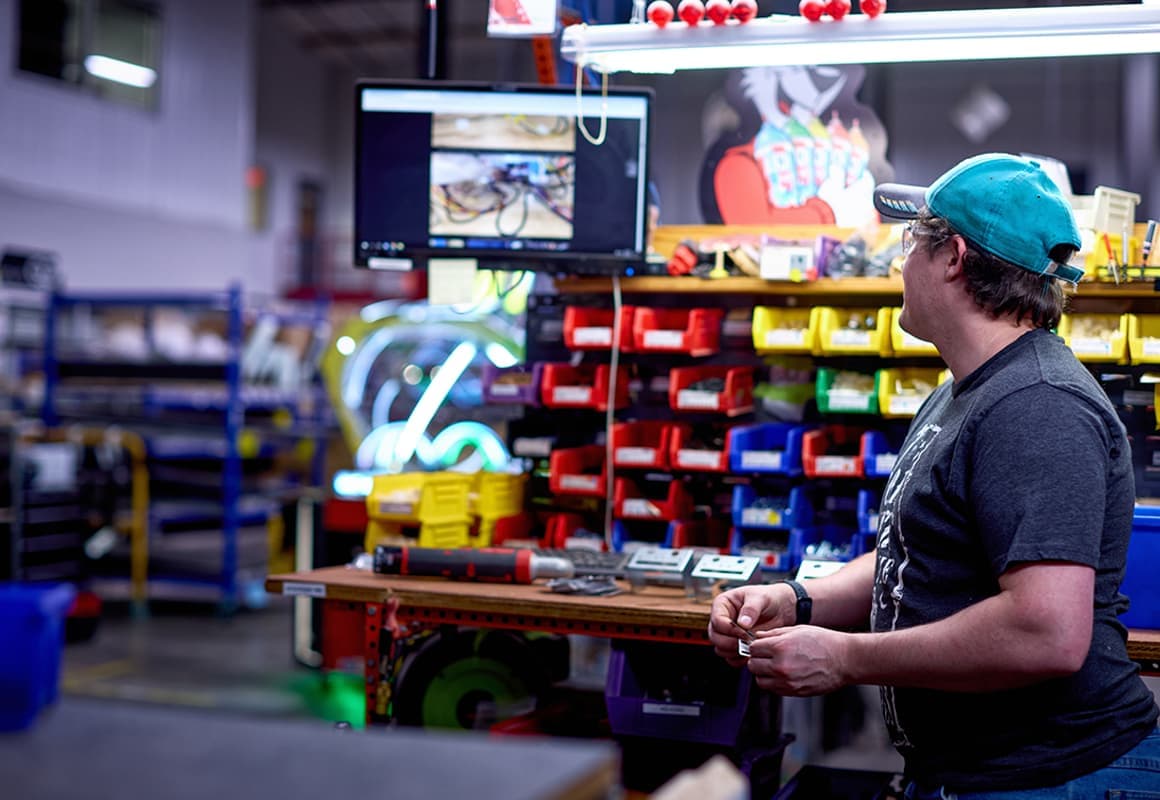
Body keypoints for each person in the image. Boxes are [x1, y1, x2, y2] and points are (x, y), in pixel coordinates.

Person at [708, 153, 1160, 797]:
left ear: (952, 258)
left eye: (910, 243)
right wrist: (799, 600)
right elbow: (917, 550)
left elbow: (1047, 634)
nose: (898, 264)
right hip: (980, 773)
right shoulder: (965, 391)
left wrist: (842, 658)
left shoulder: (1038, 404)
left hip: (1053, 775)